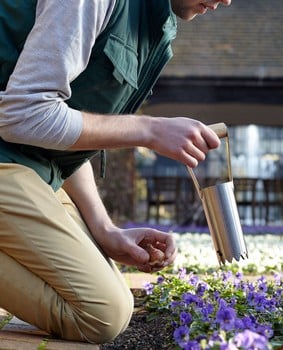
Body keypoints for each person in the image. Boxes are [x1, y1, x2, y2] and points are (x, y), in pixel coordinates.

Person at [0, 0, 231, 344]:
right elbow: (22, 115)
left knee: (115, 306)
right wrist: (149, 130)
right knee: (101, 314)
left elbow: (58, 136)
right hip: (9, 162)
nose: (226, 1)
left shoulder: (155, 28)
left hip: (31, 170)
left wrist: (104, 228)